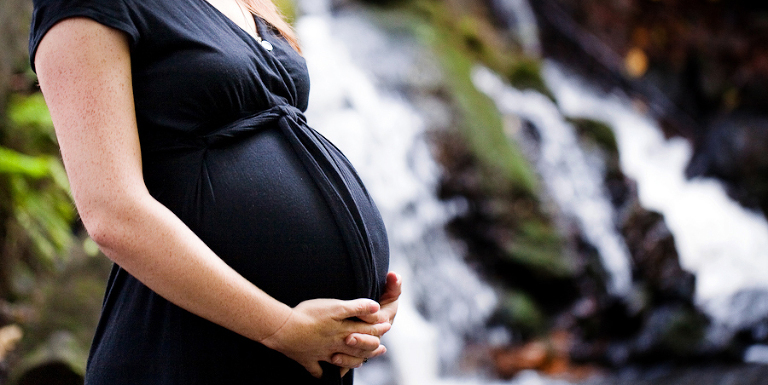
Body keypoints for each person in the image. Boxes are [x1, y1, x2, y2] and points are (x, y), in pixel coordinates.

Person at [29, 0, 401, 383]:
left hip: (298, 359)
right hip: (191, 352)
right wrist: (282, 328)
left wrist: (363, 317)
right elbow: (112, 212)